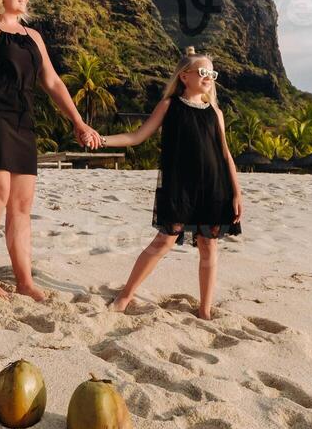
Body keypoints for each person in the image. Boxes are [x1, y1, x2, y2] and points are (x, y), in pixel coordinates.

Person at [0, 0, 101, 301]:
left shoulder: (33, 36)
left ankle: (24, 281)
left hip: (23, 121)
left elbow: (52, 82)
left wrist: (79, 121)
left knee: (21, 204)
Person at [97, 48, 243, 320]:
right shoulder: (169, 106)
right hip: (180, 187)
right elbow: (137, 137)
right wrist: (101, 139)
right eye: (203, 72)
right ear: (184, 76)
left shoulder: (215, 111)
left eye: (212, 73)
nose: (209, 77)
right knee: (164, 239)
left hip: (214, 187)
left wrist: (236, 192)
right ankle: (126, 294)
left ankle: (205, 309)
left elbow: (226, 154)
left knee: (209, 245)